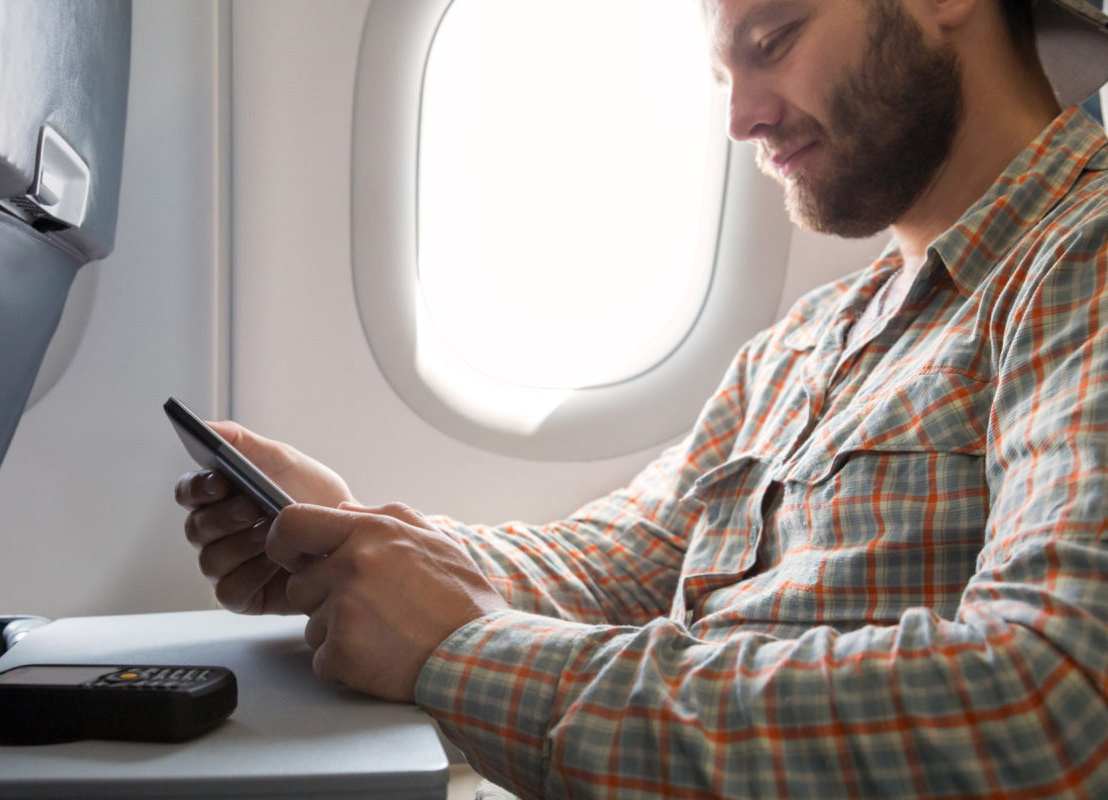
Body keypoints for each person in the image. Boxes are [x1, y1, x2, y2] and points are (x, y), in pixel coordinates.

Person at [176, 0, 1108, 796]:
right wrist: (364, 543)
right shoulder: (811, 337)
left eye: (773, 38)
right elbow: (626, 562)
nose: (741, 118)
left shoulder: (1083, 259)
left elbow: (1049, 704)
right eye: (721, 76)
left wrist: (460, 652)